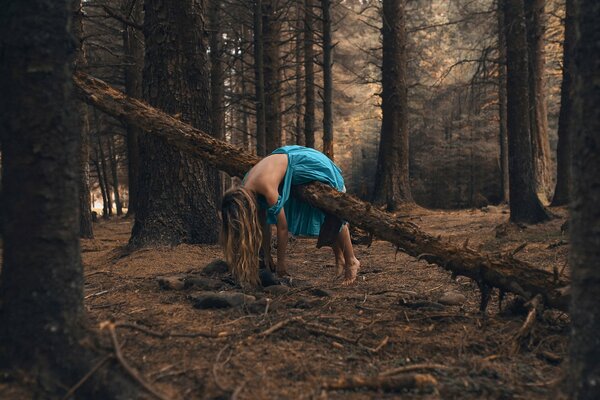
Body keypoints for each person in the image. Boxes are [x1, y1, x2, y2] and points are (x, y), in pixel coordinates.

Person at [221, 145, 360, 287]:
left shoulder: (265, 187)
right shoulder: (247, 188)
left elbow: (282, 228)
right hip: (286, 159)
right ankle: (339, 257)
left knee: (332, 208)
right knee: (321, 211)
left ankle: (351, 260)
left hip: (305, 162)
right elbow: (264, 223)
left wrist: (281, 263)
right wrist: (267, 253)